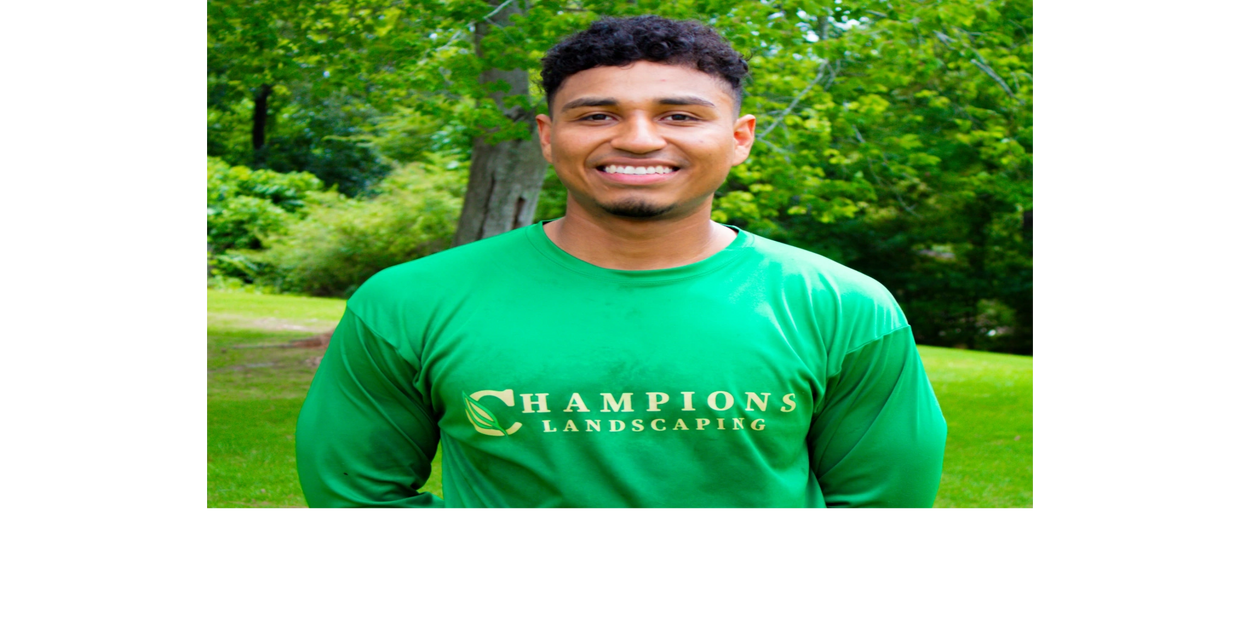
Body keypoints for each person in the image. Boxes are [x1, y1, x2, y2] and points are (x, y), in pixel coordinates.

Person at [296, 15, 947, 511]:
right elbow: (356, 495)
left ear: (739, 138)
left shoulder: (843, 307)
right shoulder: (409, 301)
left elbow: (883, 502)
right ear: (548, 136)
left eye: (680, 115)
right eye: (597, 115)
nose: (638, 139)